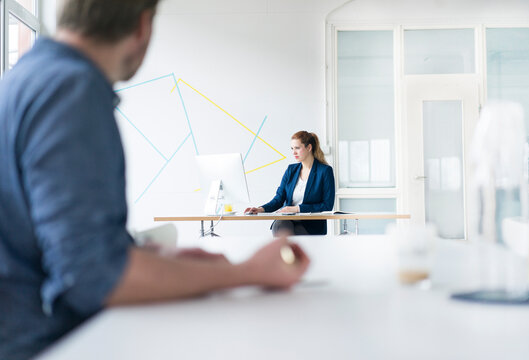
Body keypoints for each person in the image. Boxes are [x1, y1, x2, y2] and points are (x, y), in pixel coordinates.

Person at [0, 1, 309, 359]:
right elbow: (94, 278)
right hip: (45, 344)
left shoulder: (24, 78)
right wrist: (249, 271)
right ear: (142, 26)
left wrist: (152, 257)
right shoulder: (72, 91)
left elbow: (53, 240)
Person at [245, 131, 335, 236]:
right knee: (280, 225)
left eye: (297, 148)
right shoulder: (291, 170)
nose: (294, 152)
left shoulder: (324, 171)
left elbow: (327, 205)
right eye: (292, 149)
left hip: (310, 225)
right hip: (288, 220)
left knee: (287, 232)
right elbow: (279, 199)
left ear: (309, 148)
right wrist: (261, 209)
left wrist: (297, 209)